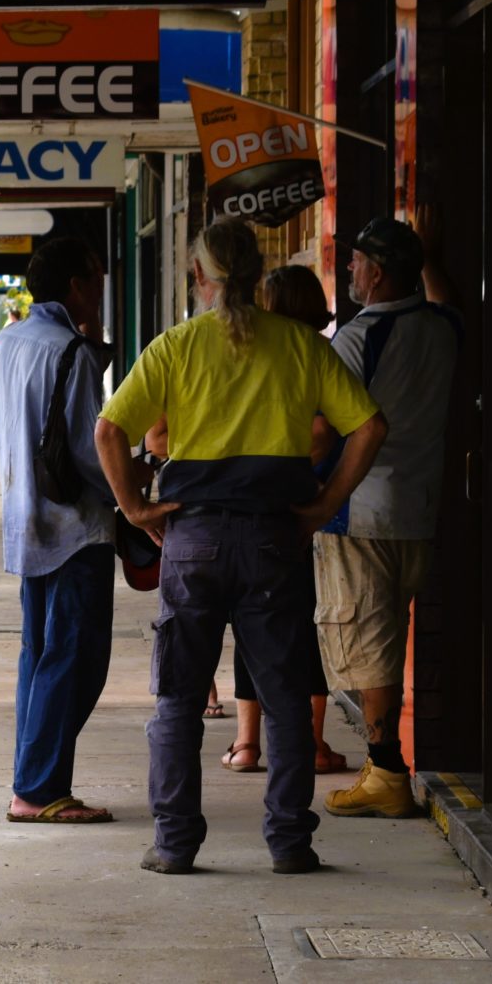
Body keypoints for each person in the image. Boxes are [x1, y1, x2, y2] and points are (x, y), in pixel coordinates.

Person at [96, 217, 387, 875]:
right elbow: (369, 428)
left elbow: (110, 431)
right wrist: (322, 504)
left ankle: (175, 845)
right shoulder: (301, 345)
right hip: (273, 540)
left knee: (177, 702)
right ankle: (288, 843)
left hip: (192, 538)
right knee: (284, 701)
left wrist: (137, 508)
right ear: (256, 275)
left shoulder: (175, 347)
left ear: (199, 277)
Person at [315, 216, 460, 818]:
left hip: (361, 512)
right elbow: (444, 297)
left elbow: (325, 428)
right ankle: (385, 767)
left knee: (367, 640)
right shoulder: (443, 327)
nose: (349, 269)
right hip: (418, 510)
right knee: (388, 634)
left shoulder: (358, 337)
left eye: (356, 261)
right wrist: (428, 255)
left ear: (377, 272)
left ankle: (386, 770)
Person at [181, 265, 347, 774]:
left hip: (255, 512)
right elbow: (342, 431)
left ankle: (248, 742)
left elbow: (143, 436)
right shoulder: (312, 354)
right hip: (301, 515)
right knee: (296, 631)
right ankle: (310, 747)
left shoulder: (260, 352)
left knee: (249, 628)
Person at [0, 237, 118, 825]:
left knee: (40, 656)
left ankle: (33, 779)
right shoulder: (73, 350)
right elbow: (88, 453)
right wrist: (134, 489)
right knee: (75, 659)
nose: (101, 287)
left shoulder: (12, 340)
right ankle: (39, 790)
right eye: (95, 275)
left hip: (25, 519)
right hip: (75, 528)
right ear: (75, 284)